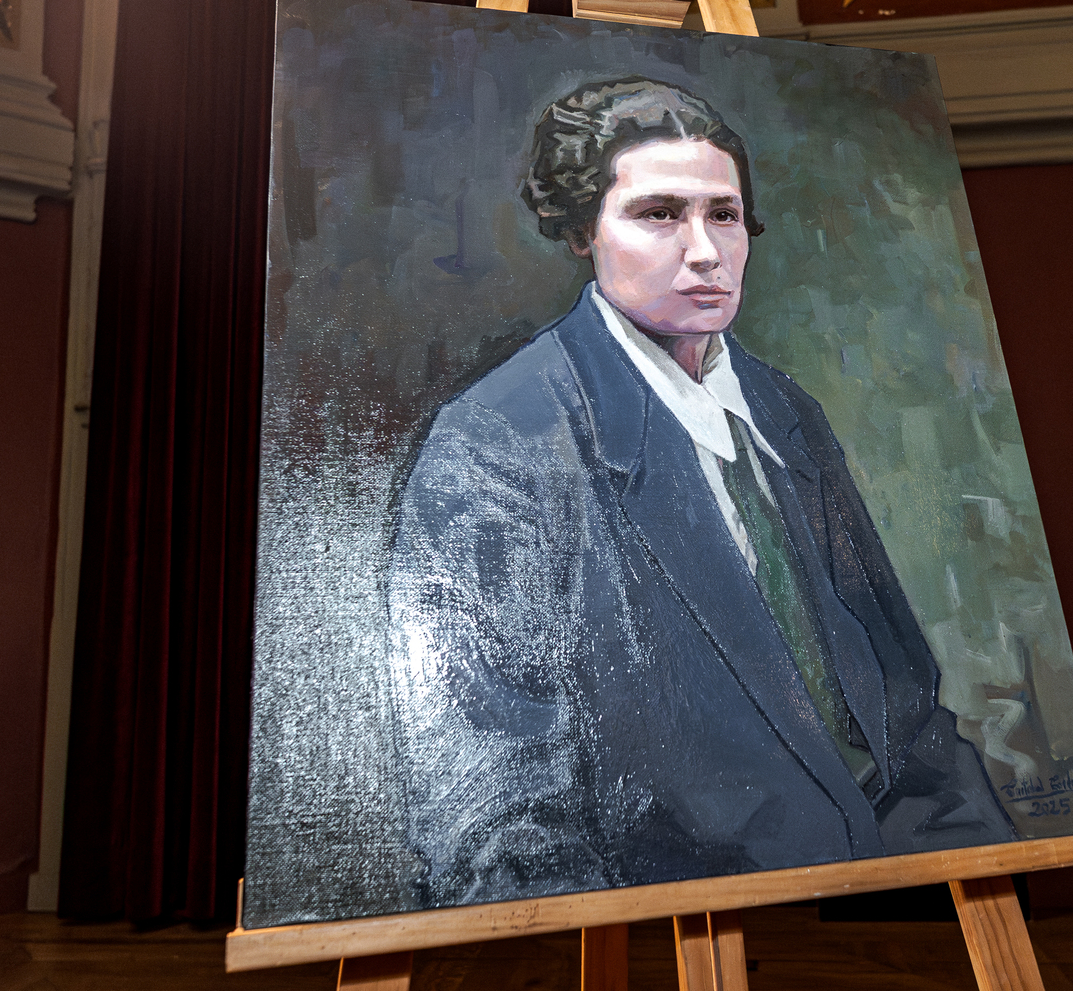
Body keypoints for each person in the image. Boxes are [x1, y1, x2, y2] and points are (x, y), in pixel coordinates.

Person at [387, 79, 1014, 910]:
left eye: (724, 214)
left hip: (879, 889)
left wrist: (980, 865)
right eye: (658, 214)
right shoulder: (501, 439)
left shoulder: (782, 408)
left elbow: (904, 703)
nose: (706, 252)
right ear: (581, 231)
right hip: (674, 912)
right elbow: (493, 810)